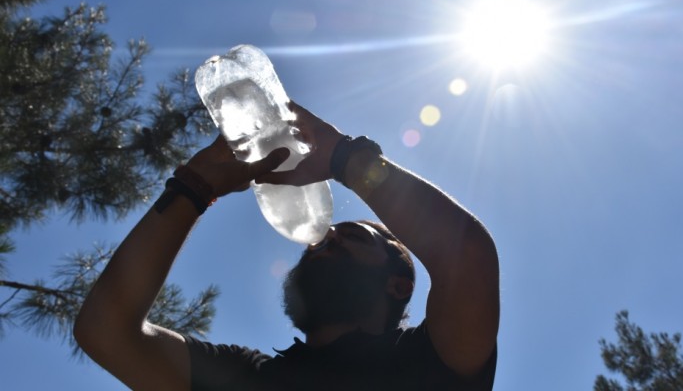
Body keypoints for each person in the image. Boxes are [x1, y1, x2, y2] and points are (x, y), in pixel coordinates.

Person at [74, 101, 500, 390]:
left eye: (352, 236)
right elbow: (106, 332)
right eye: (331, 235)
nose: (324, 238)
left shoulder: (429, 364)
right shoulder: (248, 377)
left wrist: (345, 159)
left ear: (398, 286)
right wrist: (193, 187)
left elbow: (467, 257)